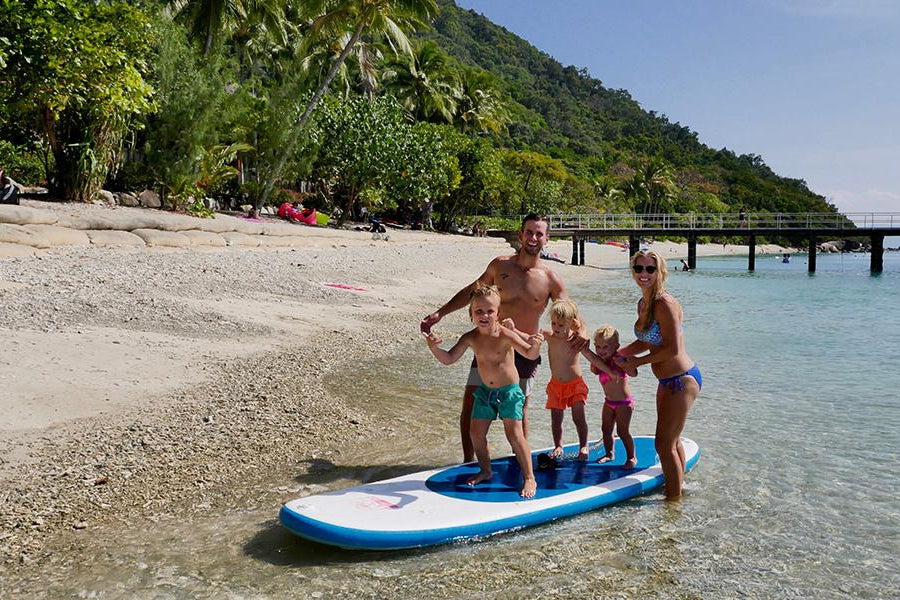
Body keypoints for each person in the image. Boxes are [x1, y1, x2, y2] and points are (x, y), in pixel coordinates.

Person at [420, 214, 585, 463]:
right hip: (490, 346)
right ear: (520, 235)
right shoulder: (500, 266)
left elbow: (569, 311)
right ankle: (468, 462)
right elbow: (473, 292)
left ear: (547, 239)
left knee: (518, 412)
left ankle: (521, 463)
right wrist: (440, 312)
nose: (533, 238)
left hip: (524, 349)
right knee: (472, 404)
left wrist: (581, 332)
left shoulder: (550, 279)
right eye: (529, 232)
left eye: (539, 233)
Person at [423, 285, 542, 498]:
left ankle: (529, 477)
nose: (484, 315)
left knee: (515, 434)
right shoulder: (470, 338)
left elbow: (529, 354)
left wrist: (535, 345)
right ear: (471, 315)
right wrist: (434, 349)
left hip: (509, 393)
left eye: (489, 311)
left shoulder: (505, 334)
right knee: (476, 434)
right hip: (485, 392)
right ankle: (486, 470)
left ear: (498, 313)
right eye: (478, 311)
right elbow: (449, 359)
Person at [614, 250, 701, 499]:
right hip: (667, 380)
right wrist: (620, 353)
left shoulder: (665, 303)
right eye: (639, 268)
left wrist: (636, 363)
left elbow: (672, 348)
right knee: (671, 442)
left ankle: (672, 506)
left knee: (663, 444)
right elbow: (647, 340)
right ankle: (678, 489)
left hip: (682, 379)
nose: (644, 274)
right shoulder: (644, 303)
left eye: (650, 269)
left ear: (660, 271)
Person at [528, 299, 599, 461]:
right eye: (554, 323)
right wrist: (512, 331)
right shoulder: (548, 335)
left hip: (575, 385)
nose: (556, 328)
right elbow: (529, 338)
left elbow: (590, 352)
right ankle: (558, 445)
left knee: (578, 416)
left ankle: (583, 445)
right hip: (556, 385)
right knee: (556, 420)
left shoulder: (576, 339)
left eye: (561, 325)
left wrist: (605, 370)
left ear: (571, 324)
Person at [581, 326, 637, 468]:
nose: (601, 350)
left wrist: (626, 363)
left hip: (624, 403)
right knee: (606, 429)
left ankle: (632, 457)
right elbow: (594, 370)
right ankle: (609, 453)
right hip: (608, 402)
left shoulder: (619, 359)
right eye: (598, 347)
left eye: (605, 347)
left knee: (622, 431)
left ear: (616, 346)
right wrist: (594, 367)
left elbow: (634, 373)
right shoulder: (600, 362)